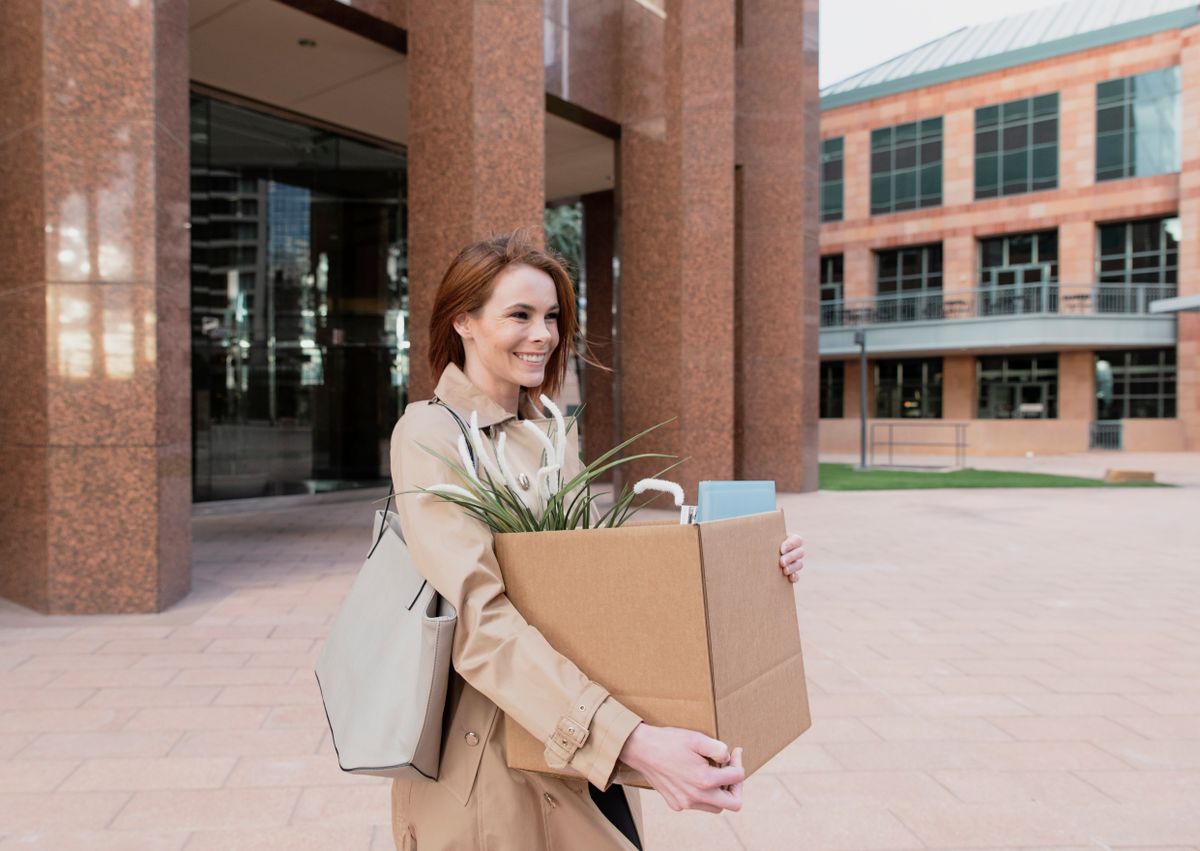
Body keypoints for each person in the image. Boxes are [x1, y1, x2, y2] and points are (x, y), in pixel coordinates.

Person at [388, 231, 806, 850]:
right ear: (464, 322)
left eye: (552, 316)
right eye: (520, 315)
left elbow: (598, 577)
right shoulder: (429, 433)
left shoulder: (552, 432)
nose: (544, 334)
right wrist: (630, 741)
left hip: (579, 732)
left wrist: (749, 563)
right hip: (493, 755)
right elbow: (479, 619)